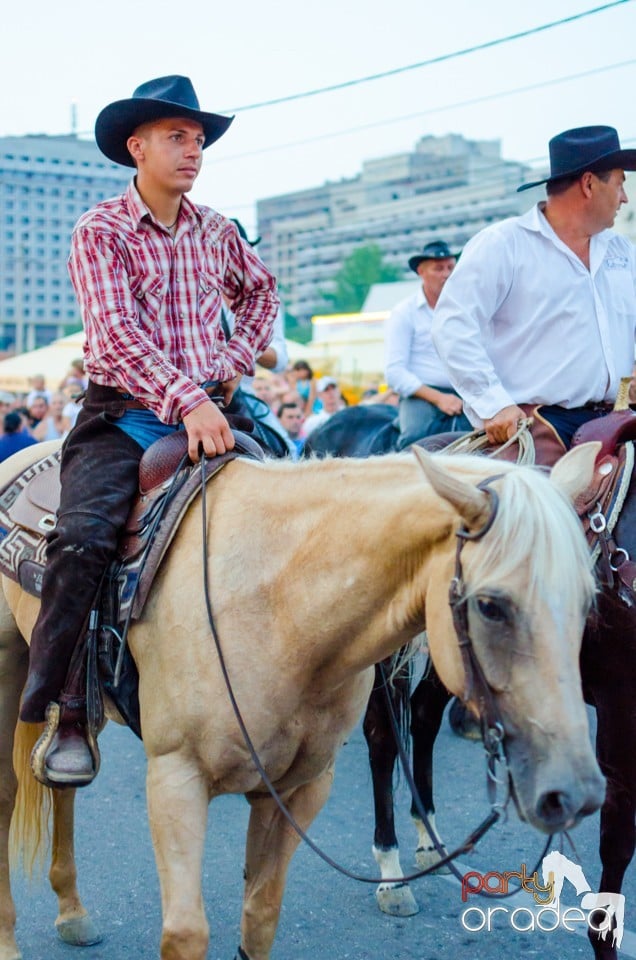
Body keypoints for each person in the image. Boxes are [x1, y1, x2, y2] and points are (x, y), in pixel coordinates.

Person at [19, 75, 279, 787]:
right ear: (137, 148)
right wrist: (189, 396)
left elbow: (261, 292)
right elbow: (115, 334)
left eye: (197, 139)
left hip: (213, 411)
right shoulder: (100, 229)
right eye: (176, 137)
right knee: (82, 540)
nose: (192, 150)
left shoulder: (219, 230)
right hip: (124, 417)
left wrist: (229, 365)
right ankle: (67, 709)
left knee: (290, 510)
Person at [432, 126, 636, 460]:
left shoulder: (622, 252)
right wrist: (494, 404)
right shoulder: (503, 245)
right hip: (537, 424)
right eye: (619, 183)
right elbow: (453, 325)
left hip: (617, 418)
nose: (624, 197)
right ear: (588, 184)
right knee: (529, 509)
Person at [384, 240, 470, 450]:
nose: (446, 274)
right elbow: (394, 372)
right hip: (421, 395)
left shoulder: (466, 308)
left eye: (450, 267)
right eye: (439, 268)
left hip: (465, 391)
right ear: (421, 271)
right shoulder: (404, 312)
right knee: (414, 439)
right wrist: (439, 398)